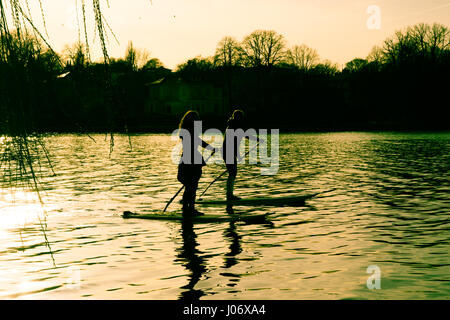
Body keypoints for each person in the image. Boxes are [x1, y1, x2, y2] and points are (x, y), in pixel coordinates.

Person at [177, 110, 216, 216]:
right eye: (196, 119)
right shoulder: (188, 132)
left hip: (192, 159)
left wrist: (210, 148)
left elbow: (197, 141)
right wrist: (210, 148)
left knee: (191, 186)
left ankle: (188, 209)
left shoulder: (186, 131)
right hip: (190, 160)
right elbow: (197, 141)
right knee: (191, 186)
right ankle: (188, 209)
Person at [222, 109, 261, 201]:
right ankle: (229, 195)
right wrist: (257, 139)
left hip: (228, 153)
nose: (241, 119)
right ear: (238, 117)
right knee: (233, 173)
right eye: (241, 117)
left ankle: (229, 194)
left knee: (232, 173)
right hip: (228, 153)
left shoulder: (232, 124)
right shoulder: (234, 125)